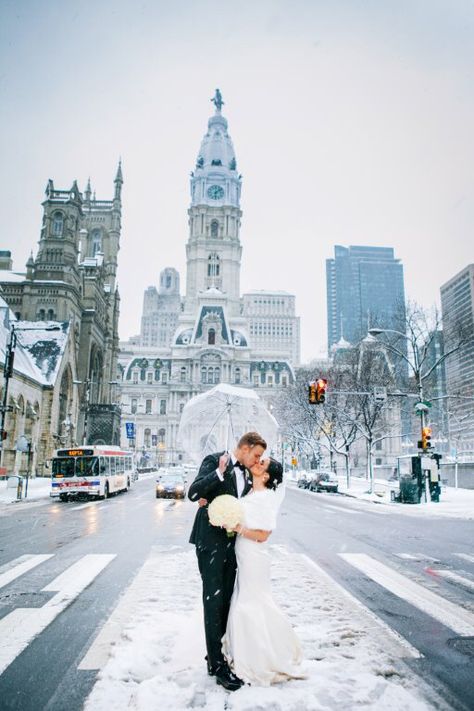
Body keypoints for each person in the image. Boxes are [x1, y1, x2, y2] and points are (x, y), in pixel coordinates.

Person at [188, 431, 267, 692]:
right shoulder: (214, 460)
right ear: (244, 448)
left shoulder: (245, 473)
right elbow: (193, 493)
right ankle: (218, 665)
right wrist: (218, 474)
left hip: (234, 545)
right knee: (213, 600)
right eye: (256, 454)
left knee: (226, 601)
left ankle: (215, 654)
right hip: (210, 542)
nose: (257, 459)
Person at [222, 457, 304, 686]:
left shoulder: (266, 498)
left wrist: (237, 528)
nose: (257, 462)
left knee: (252, 602)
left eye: (262, 463)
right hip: (244, 554)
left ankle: (260, 657)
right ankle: (248, 651)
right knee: (245, 600)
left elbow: (263, 535)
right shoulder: (251, 492)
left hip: (254, 557)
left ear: (266, 476)